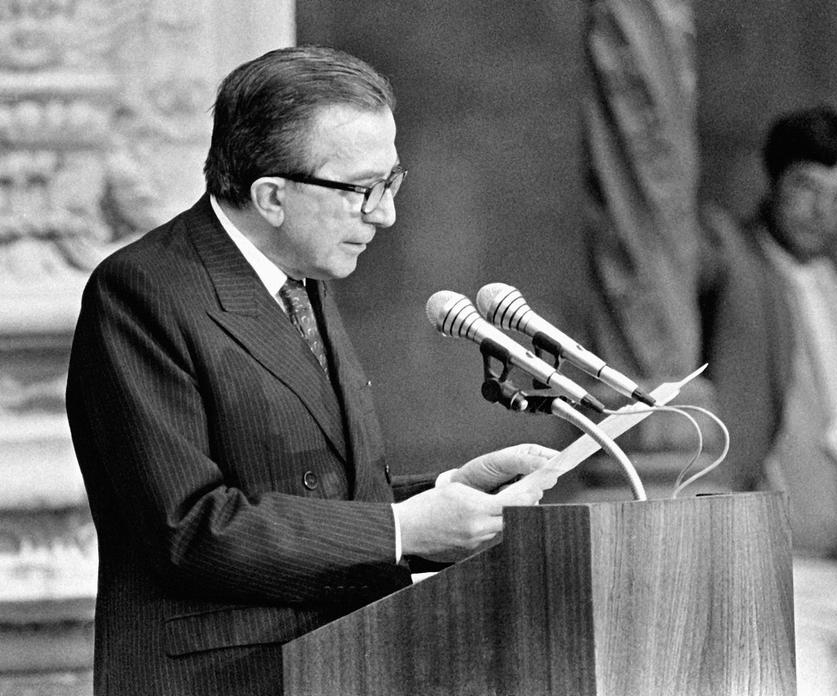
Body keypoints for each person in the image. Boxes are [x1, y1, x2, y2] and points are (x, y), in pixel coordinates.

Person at [65, 45, 555, 696]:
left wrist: (442, 493)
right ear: (271, 195)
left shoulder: (305, 276)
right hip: (223, 679)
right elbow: (188, 529)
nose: (385, 214)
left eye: (391, 182)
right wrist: (404, 528)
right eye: (361, 190)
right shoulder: (141, 291)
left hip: (341, 666)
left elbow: (307, 494)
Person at [687, 107, 837, 695]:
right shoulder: (736, 258)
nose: (822, 212)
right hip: (785, 565)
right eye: (807, 187)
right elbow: (680, 249)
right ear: (775, 180)